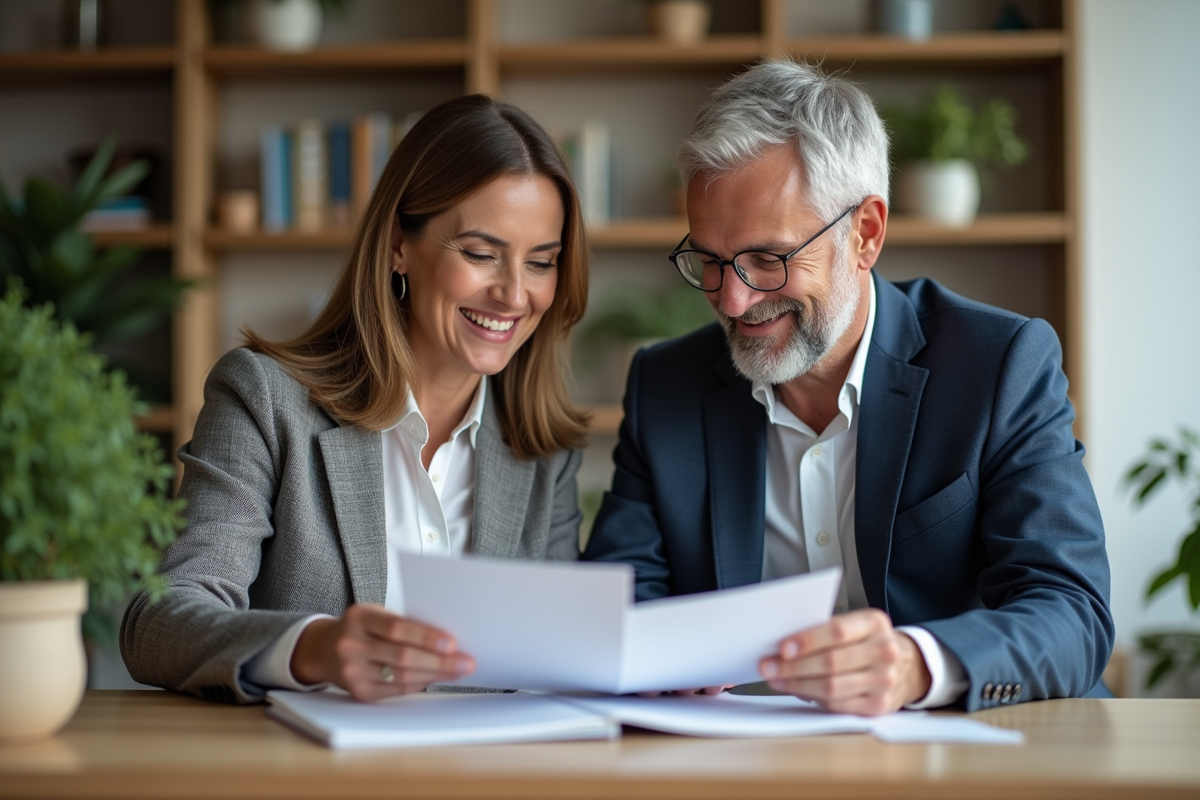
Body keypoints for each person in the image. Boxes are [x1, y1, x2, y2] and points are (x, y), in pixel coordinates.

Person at [582, 60, 1113, 714]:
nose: (734, 298)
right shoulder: (665, 384)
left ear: (865, 233)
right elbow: (617, 600)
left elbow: (1071, 611)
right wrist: (652, 654)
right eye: (711, 261)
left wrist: (917, 666)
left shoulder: (999, 365)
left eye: (767, 259)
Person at [122, 94, 590, 705]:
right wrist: (314, 648)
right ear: (399, 245)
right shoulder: (265, 400)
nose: (513, 294)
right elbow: (157, 623)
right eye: (480, 254)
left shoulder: (545, 451)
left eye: (541, 263)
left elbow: (560, 655)